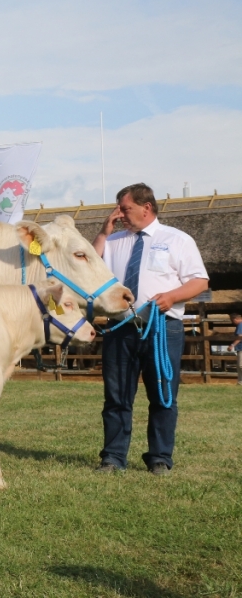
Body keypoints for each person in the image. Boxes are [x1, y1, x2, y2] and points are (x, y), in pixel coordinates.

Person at [92, 183, 208, 475]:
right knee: (116, 397)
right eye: (118, 209)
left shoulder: (177, 239)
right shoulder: (114, 240)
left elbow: (199, 281)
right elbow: (90, 266)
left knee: (163, 395)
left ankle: (159, 459)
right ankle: (113, 458)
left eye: (126, 208)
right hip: (120, 326)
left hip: (162, 327)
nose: (121, 214)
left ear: (147, 207)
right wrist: (104, 232)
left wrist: (172, 297)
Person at [229, 312, 242, 386]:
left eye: (232, 320)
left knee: (240, 365)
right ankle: (240, 382)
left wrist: (232, 345)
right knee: (239, 366)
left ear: (235, 319)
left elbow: (240, 337)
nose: (232, 322)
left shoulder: (240, 325)